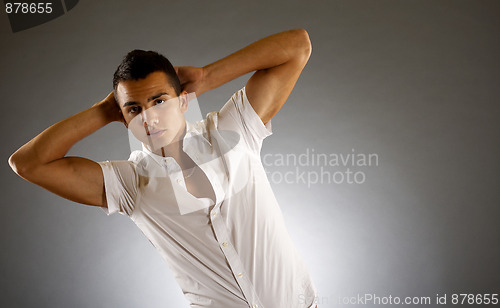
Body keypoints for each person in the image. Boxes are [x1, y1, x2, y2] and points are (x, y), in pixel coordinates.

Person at [9, 29, 318, 308]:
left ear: (184, 101)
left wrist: (206, 76)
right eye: (135, 109)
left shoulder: (234, 129)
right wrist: (104, 110)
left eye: (159, 101)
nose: (149, 119)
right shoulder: (129, 183)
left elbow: (297, 46)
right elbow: (27, 163)